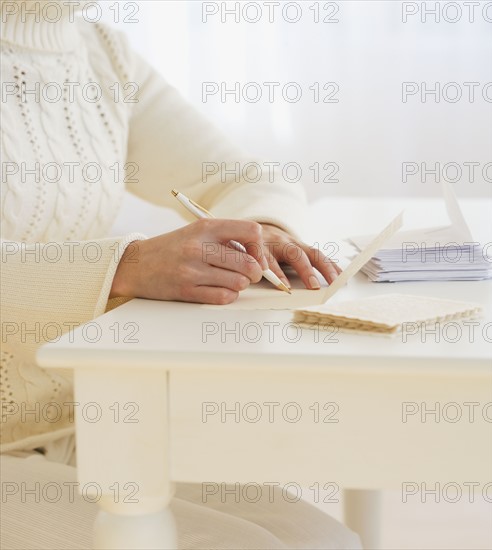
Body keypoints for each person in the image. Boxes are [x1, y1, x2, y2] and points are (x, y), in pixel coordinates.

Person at [0, 1, 360, 548]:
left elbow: (243, 176)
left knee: (324, 541)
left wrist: (261, 230)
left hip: (79, 423)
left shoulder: (100, 52)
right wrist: (127, 265)